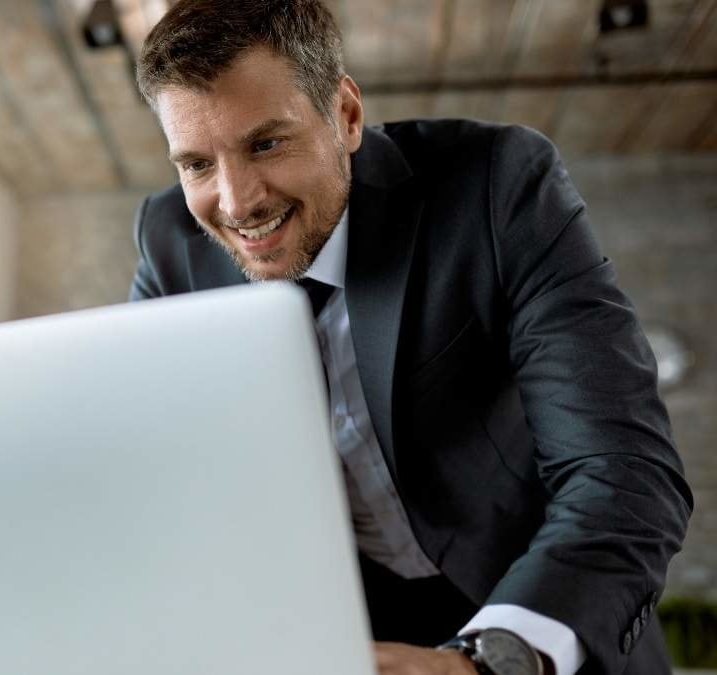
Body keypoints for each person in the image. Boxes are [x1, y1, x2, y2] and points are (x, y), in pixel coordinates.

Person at [127, 1, 692, 674]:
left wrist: (490, 661)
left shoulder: (497, 184)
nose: (236, 200)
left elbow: (624, 473)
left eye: (265, 143)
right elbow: (157, 476)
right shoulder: (168, 242)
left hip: (541, 612)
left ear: (346, 115)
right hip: (344, 635)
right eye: (195, 164)